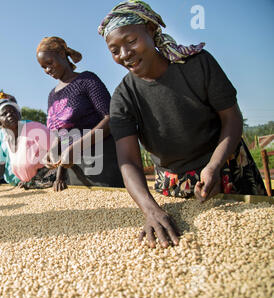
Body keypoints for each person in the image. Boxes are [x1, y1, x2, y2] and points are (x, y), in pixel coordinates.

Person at [98, 0, 267, 248]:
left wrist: (214, 167)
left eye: (131, 41)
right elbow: (130, 162)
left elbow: (231, 120)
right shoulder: (123, 97)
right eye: (115, 50)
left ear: (151, 31)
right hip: (177, 185)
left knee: (255, 241)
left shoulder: (197, 65)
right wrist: (151, 210)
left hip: (229, 166)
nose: (124, 55)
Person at [36, 36, 124, 192]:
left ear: (62, 55)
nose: (47, 70)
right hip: (75, 170)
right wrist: (52, 152)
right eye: (43, 67)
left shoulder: (86, 80)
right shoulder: (52, 95)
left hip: (102, 163)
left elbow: (110, 119)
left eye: (49, 63)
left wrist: (75, 147)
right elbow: (60, 135)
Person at [0, 93, 56, 191]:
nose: (10, 114)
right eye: (4, 114)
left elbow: (58, 149)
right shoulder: (3, 137)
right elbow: (1, 161)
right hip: (24, 184)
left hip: (47, 180)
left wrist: (58, 177)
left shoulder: (34, 128)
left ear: (18, 114)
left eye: (13, 111)